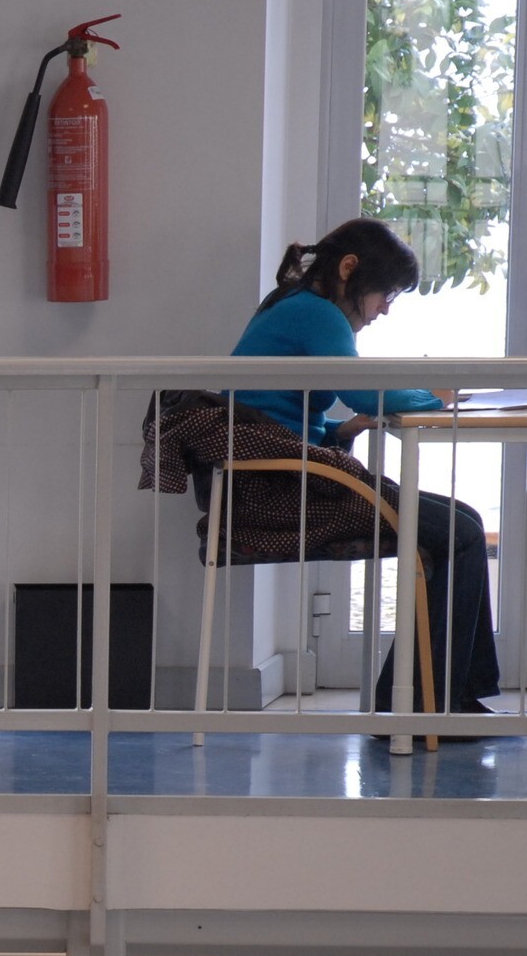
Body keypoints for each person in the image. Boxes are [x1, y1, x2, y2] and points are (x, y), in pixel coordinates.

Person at [148, 218, 494, 720]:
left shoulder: (290, 305)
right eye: (385, 295)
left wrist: (339, 431)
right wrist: (435, 397)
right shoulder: (318, 313)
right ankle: (428, 706)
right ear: (349, 269)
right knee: (461, 532)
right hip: (279, 493)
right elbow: (364, 391)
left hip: (270, 480)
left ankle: (441, 700)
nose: (385, 310)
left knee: (462, 524)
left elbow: (278, 417)